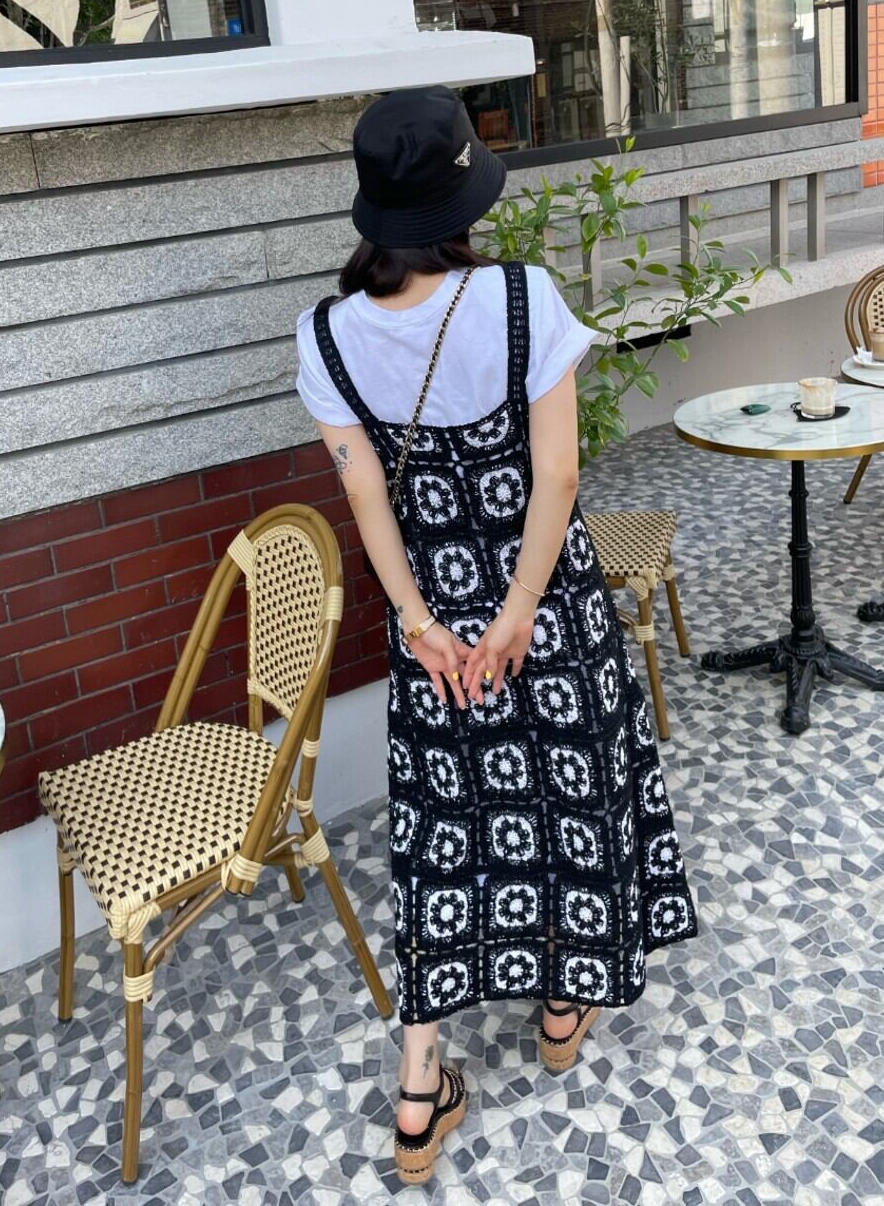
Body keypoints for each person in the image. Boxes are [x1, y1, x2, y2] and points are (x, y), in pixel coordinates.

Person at [294, 86, 698, 1185]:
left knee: (444, 829)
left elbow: (366, 497)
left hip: (431, 631)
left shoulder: (326, 334)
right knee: (569, 788)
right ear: (459, 197)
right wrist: (518, 613)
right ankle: (563, 1009)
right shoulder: (522, 300)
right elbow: (557, 475)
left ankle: (418, 1088)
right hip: (544, 609)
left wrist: (422, 624)